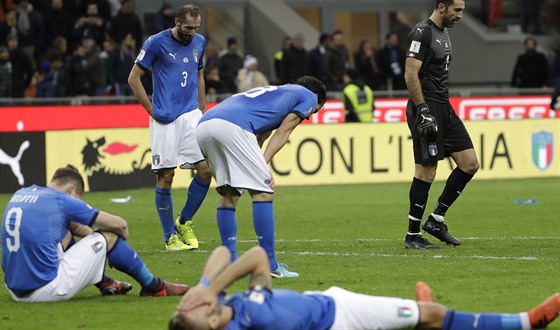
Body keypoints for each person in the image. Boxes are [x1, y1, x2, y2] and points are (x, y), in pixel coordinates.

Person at [170, 245, 560, 330]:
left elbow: (248, 254)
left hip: (335, 301)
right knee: (433, 316)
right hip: (338, 324)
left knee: (428, 316)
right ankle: (528, 321)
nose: (191, 306)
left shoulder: (225, 302)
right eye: (190, 311)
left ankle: (417, 317)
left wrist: (207, 284)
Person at [195, 75, 327, 278]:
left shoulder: (276, 93)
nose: (307, 115)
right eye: (314, 111)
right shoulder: (308, 96)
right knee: (264, 192)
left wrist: (257, 165)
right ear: (316, 97)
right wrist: (262, 170)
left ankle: (229, 260)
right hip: (233, 127)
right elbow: (284, 131)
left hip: (205, 125)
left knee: (230, 193)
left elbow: (261, 136)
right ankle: (269, 264)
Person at [1, 164, 189, 302]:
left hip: (14, 291)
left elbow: (73, 229)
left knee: (67, 229)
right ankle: (154, 286)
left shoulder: (22, 193)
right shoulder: (61, 200)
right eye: (80, 199)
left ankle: (105, 282)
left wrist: (93, 245)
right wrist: (113, 246)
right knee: (109, 237)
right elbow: (121, 225)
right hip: (45, 289)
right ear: (72, 190)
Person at [128, 4, 211, 251]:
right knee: (166, 176)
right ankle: (169, 238)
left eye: (196, 28)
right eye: (188, 27)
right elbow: (133, 78)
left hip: (191, 114)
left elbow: (199, 75)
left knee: (205, 171)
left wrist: (202, 109)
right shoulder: (155, 42)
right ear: (176, 22)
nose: (192, 32)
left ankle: (184, 222)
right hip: (165, 118)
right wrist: (151, 110)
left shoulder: (200, 42)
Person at [403, 0, 480, 249]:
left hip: (444, 106)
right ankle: (413, 235)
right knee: (427, 171)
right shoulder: (421, 32)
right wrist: (423, 110)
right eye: (457, 10)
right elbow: (410, 73)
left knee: (469, 163)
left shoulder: (444, 32)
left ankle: (436, 219)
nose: (460, 15)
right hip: (427, 107)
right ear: (441, 7)